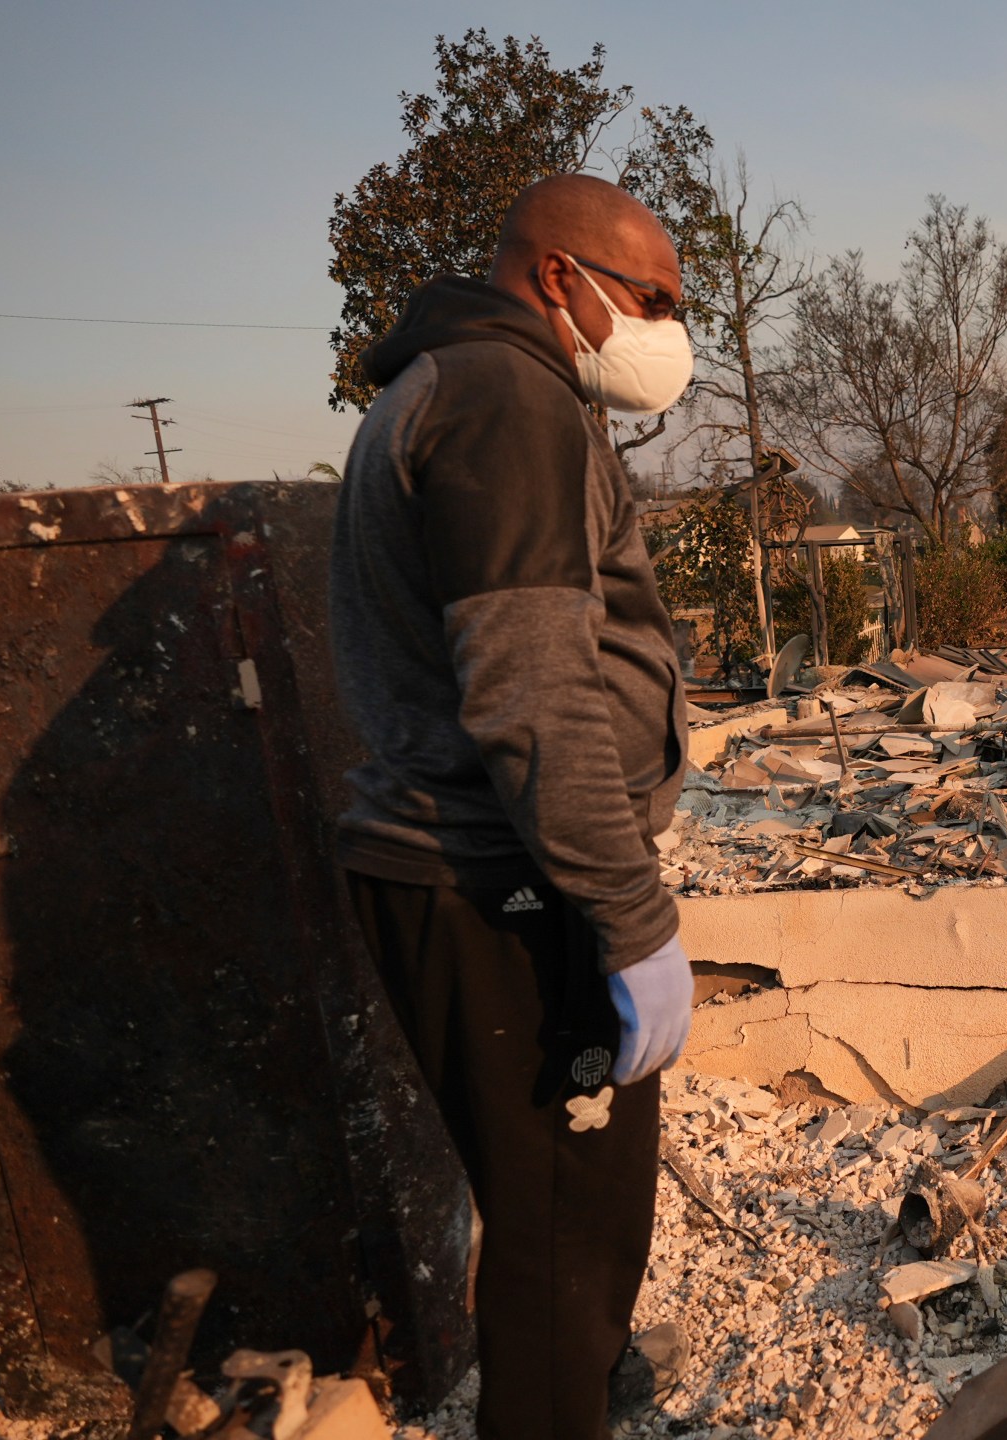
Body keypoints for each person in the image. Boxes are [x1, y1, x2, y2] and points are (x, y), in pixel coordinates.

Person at [328, 173, 698, 1440]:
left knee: (565, 1209)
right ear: (559, 277)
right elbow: (534, 697)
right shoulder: (503, 403)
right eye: (652, 299)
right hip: (499, 885)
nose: (667, 332)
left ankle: (580, 1385)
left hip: (480, 870)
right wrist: (633, 920)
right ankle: (557, 1401)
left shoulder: (455, 387)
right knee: (562, 1236)